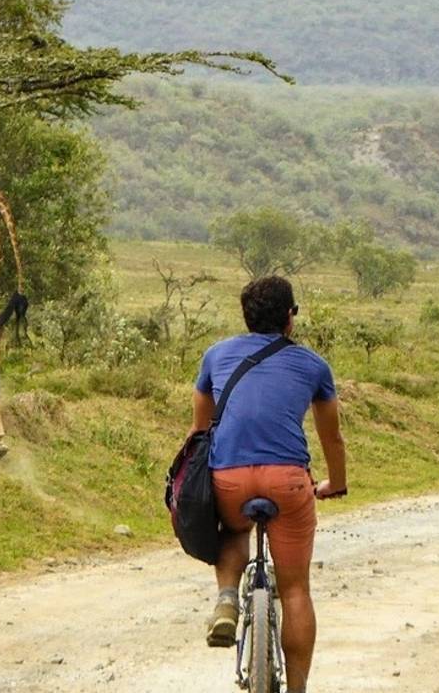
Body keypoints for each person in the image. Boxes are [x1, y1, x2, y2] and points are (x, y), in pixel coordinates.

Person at [191, 275, 347, 693]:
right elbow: (332, 436)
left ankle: (227, 596)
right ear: (290, 318)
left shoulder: (216, 355)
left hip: (229, 477)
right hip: (289, 480)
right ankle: (296, 688)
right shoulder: (314, 365)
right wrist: (336, 483)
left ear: (246, 316)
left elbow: (199, 431)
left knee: (231, 529)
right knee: (295, 588)